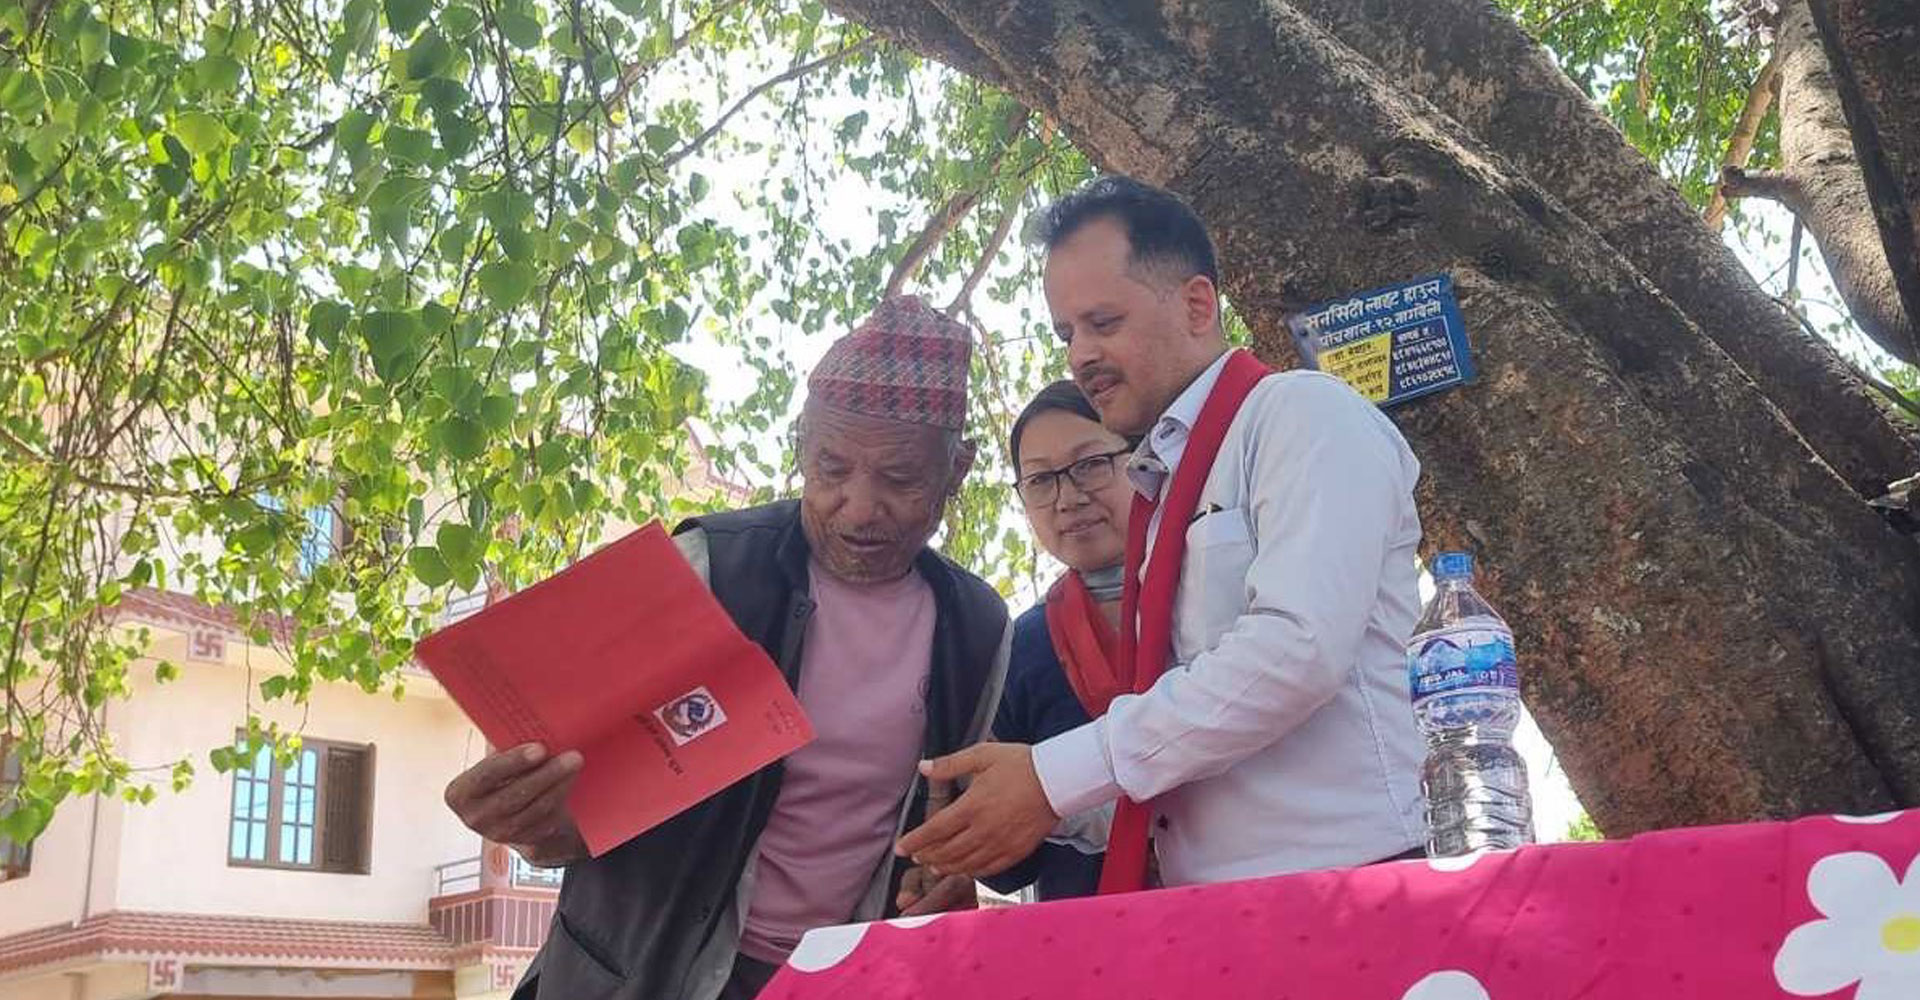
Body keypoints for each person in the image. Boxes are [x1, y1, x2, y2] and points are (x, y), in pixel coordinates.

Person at [443, 296, 1011, 1000]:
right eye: (831, 469)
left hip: (840, 980)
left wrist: (946, 875)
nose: (860, 507)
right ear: (801, 448)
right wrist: (526, 820)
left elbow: (944, 826)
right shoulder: (707, 571)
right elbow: (576, 820)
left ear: (957, 470)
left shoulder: (977, 626)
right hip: (645, 979)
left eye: (900, 479)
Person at [896, 175, 1428, 891]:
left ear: (1197, 305)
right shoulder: (1165, 489)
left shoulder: (1303, 415)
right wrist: (1005, 817)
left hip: (1355, 883)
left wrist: (1054, 777)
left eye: (1103, 322)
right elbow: (1188, 753)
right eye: (1067, 334)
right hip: (1217, 905)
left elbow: (1296, 650)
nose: (1080, 356)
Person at [987, 381, 1136, 900]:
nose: (1068, 498)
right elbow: (1008, 868)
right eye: (1040, 480)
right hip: (1089, 936)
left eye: (1091, 465)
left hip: (1248, 911)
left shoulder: (1217, 601)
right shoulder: (1016, 649)